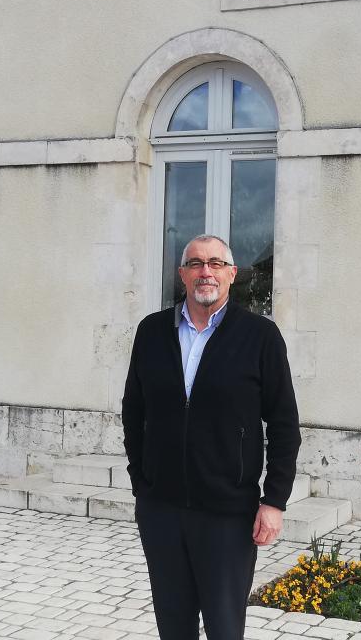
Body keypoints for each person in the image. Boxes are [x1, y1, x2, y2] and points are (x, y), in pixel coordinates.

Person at [122, 234, 301, 640]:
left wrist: (273, 500)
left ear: (232, 274)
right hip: (161, 510)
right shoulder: (151, 332)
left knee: (224, 628)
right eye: (197, 263)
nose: (207, 272)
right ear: (182, 274)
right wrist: (141, 481)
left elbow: (284, 423)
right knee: (173, 626)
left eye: (216, 263)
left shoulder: (260, 336)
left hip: (227, 514)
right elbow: (134, 410)